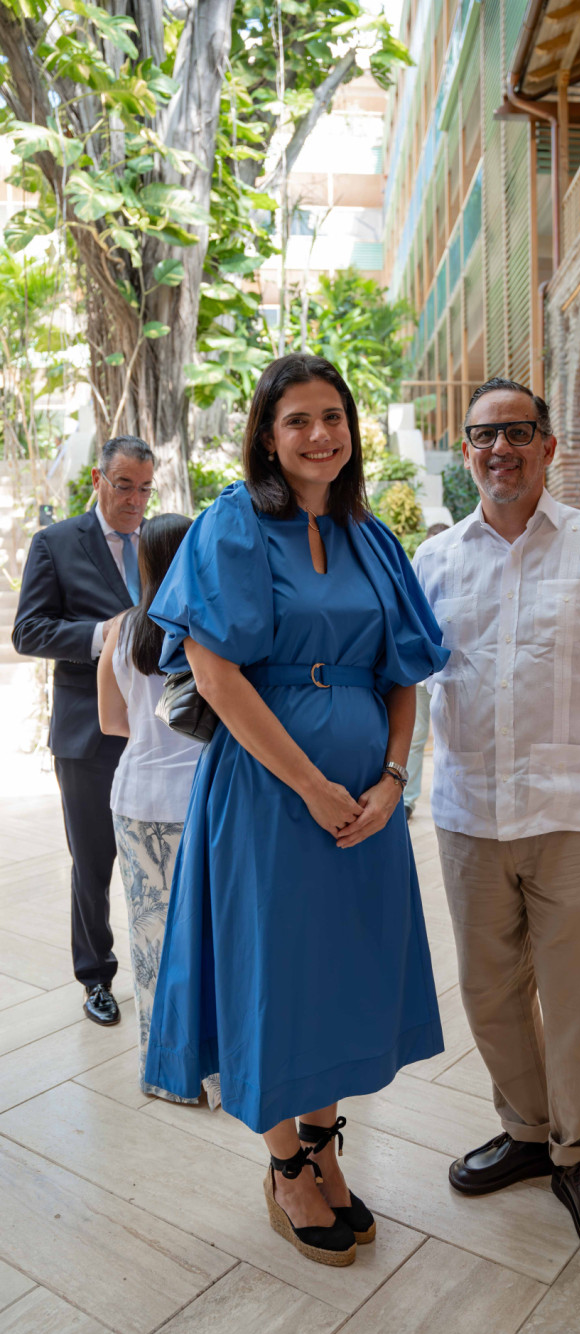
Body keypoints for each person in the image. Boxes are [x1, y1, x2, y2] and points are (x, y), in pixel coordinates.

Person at [144, 353, 449, 1268]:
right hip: (272, 798)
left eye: (333, 416)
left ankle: (322, 1143)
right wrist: (311, 784)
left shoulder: (374, 536)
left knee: (345, 973)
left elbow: (403, 670)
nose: (320, 435)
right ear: (267, 439)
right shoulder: (232, 526)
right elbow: (215, 672)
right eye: (297, 420)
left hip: (369, 804)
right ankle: (284, 1164)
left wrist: (394, 778)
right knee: (273, 975)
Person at [413, 376, 580, 1261]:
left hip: (567, 818)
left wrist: (561, 756)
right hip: (469, 816)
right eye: (483, 435)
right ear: (466, 452)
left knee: (576, 996)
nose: (499, 449)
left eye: (518, 432)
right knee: (487, 990)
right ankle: (527, 1129)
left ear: (550, 447)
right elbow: (414, 679)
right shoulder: (433, 562)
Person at [12, 436, 156, 1026]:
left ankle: (167, 976)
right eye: (124, 485)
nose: (135, 500)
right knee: (92, 863)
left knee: (161, 856)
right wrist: (103, 636)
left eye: (145, 488)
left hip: (158, 732)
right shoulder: (54, 543)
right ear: (98, 478)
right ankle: (96, 978)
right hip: (86, 733)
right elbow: (29, 631)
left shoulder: (161, 542)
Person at [97, 513, 220, 1108]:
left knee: (149, 942)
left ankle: (163, 1074)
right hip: (199, 797)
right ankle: (216, 1074)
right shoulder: (205, 622)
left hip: (136, 798)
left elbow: (111, 721)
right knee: (207, 938)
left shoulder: (121, 629)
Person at [403, 523, 450, 822]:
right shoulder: (418, 568)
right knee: (416, 736)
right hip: (418, 674)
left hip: (445, 673)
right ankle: (407, 798)